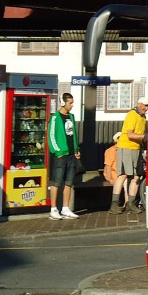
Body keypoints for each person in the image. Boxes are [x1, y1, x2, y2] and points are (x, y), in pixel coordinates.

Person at [109, 98, 148, 215]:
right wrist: (144, 137)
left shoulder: (143, 117)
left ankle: (130, 203)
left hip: (137, 149)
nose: (146, 108)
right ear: (139, 104)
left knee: (137, 176)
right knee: (123, 175)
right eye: (145, 105)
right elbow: (130, 134)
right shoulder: (132, 115)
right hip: (126, 148)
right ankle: (114, 204)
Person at [47, 92, 81, 220]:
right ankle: (53, 208)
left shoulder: (71, 117)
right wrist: (58, 152)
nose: (72, 105)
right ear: (63, 103)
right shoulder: (55, 117)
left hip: (71, 154)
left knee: (69, 182)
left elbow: (74, 135)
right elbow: (51, 136)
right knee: (56, 182)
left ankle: (65, 208)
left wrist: (76, 149)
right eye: (70, 103)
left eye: (72, 102)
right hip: (61, 155)